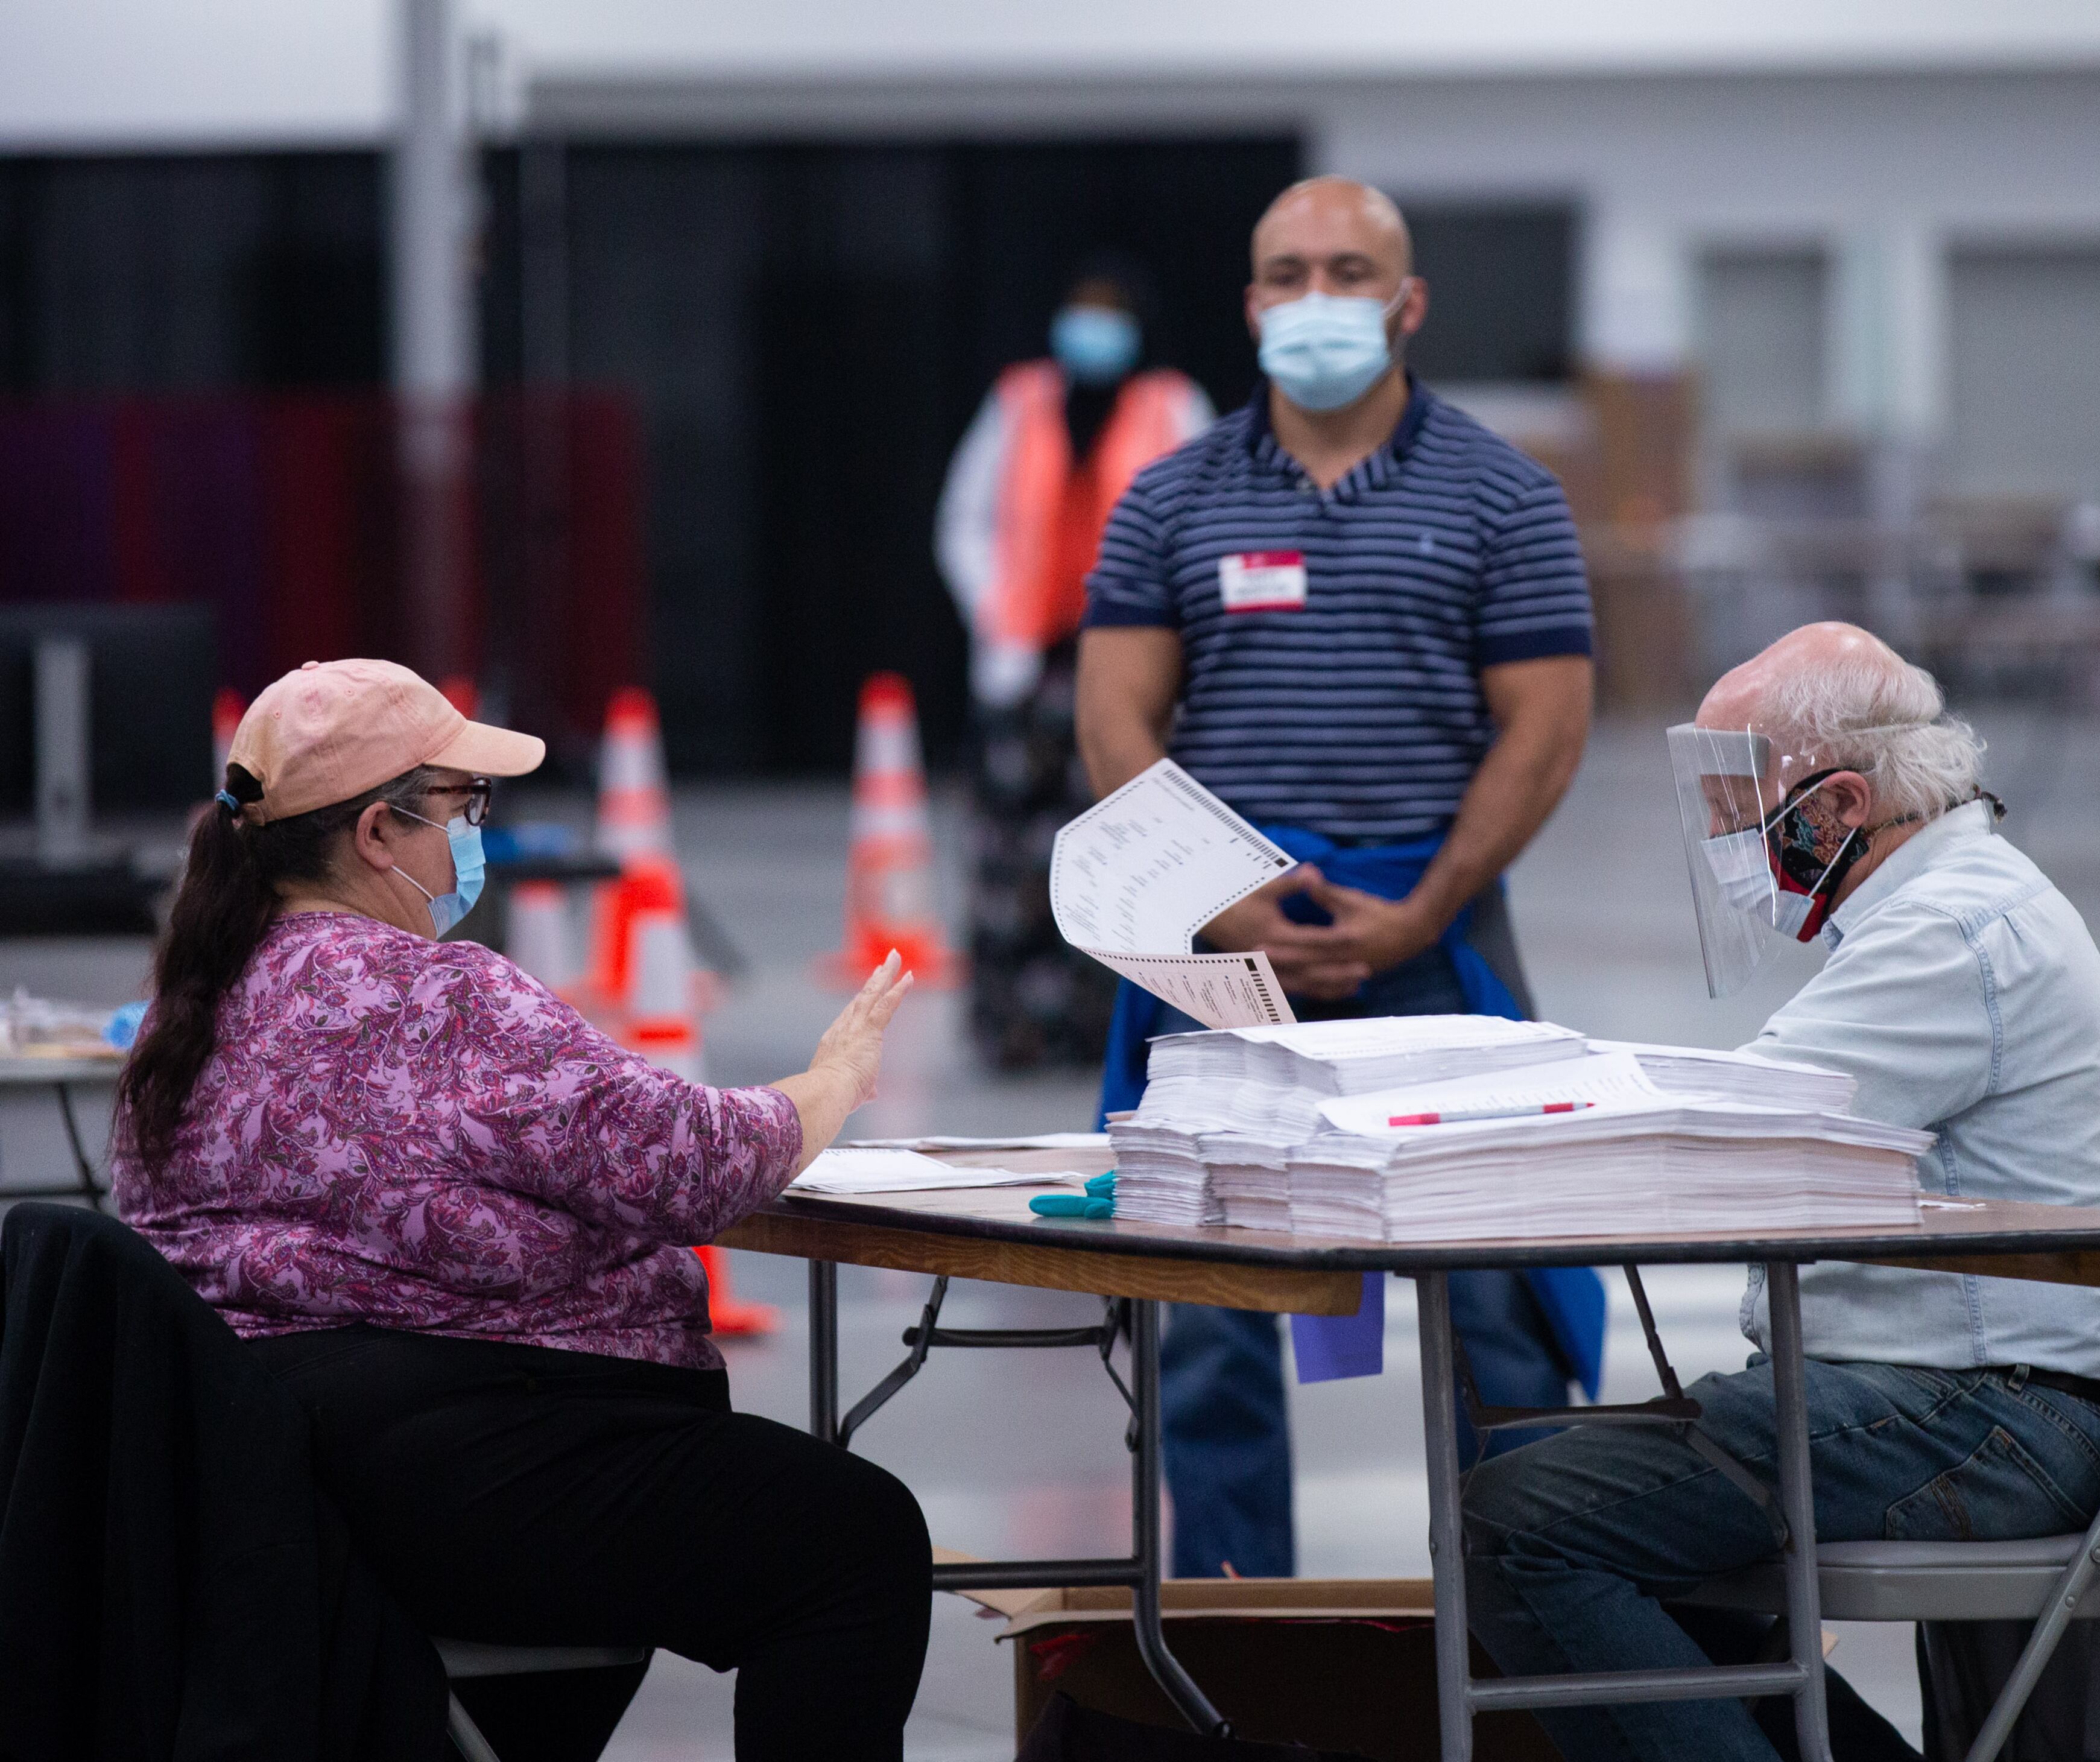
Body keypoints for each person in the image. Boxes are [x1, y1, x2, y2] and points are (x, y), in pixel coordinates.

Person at [112, 659, 930, 1762]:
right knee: (852, 1541)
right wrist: (833, 1080)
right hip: (457, 1473)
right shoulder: (442, 997)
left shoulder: (186, 1012)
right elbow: (690, 1162)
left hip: (264, 1490)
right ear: (376, 835)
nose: (474, 836)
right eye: (461, 807)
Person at [1461, 623, 2100, 1762]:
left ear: (1835, 806)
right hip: (1935, 1389)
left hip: (1987, 1413)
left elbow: (1733, 1136)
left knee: (1515, 1526)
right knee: (1610, 1522)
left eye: (1741, 799)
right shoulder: (1937, 908)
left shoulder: (1950, 930)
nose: (1727, 835)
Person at [1075, 177, 1599, 1579]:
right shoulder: (1170, 500)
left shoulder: (1504, 497)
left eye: (1350, 271)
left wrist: (1426, 906)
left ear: (1408, 302)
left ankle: (1537, 1619)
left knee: (1498, 1311)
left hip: (1433, 946)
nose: (1319, 298)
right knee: (1205, 1320)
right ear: (1250, 306)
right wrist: (1215, 903)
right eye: (1289, 273)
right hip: (1218, 960)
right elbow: (1112, 716)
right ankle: (1237, 1646)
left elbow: (1546, 724)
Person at [937, 259, 1213, 1069]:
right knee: (1014, 850)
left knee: (1127, 844)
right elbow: (965, 519)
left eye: (1109, 314)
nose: (1092, 331)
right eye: (1080, 312)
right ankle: (1016, 1030)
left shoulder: (1174, 405)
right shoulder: (1020, 401)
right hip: (1029, 666)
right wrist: (996, 606)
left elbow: (1202, 527)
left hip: (1131, 669)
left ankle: (1113, 1029)